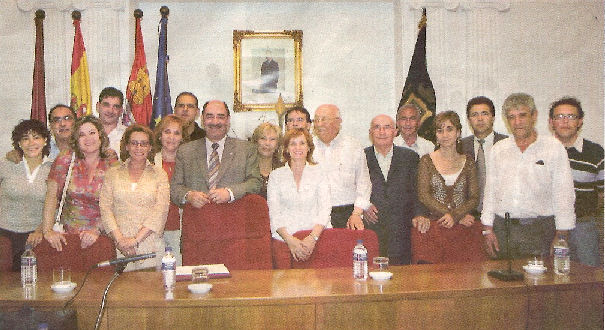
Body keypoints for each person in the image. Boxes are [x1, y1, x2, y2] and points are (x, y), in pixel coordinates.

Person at [482, 93, 575, 259]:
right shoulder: (499, 149)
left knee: (540, 283)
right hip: (503, 230)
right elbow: (490, 192)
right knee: (503, 284)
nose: (517, 122)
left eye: (522, 115)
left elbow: (564, 194)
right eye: (512, 117)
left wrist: (561, 235)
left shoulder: (553, 148)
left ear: (534, 115)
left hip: (540, 230)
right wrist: (487, 229)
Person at [42, 116, 118, 252]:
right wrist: (48, 230)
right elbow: (51, 197)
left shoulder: (112, 164)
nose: (88, 138)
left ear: (100, 135)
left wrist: (96, 230)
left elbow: (117, 205)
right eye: (82, 135)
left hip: (101, 236)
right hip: (65, 238)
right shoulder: (65, 159)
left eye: (92, 133)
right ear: (76, 140)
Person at [100, 125, 169, 271]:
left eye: (144, 143)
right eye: (134, 143)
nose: (139, 147)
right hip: (118, 247)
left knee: (150, 292)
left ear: (150, 147)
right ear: (126, 146)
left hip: (150, 247)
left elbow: (160, 211)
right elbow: (105, 208)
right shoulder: (112, 173)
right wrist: (120, 240)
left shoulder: (159, 174)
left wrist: (135, 241)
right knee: (120, 292)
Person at [171, 100, 261, 207]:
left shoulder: (246, 149)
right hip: (197, 219)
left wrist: (230, 193)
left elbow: (255, 183)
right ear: (202, 120)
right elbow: (175, 188)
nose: (215, 122)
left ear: (228, 120)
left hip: (234, 218)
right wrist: (189, 196)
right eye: (209, 116)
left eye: (220, 117)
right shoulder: (185, 151)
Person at [363, 115, 426, 265]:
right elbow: (352, 188)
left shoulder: (410, 157)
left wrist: (420, 214)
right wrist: (363, 206)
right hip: (371, 228)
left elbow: (418, 191)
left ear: (395, 132)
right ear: (370, 132)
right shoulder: (361, 156)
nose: (382, 132)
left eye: (387, 127)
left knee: (401, 280)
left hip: (401, 230)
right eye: (377, 127)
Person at [549, 97, 603, 266]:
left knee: (587, 280)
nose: (565, 121)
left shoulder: (596, 152)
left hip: (583, 227)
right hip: (547, 226)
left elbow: (602, 194)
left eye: (571, 117)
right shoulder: (542, 151)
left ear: (580, 121)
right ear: (551, 122)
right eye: (559, 117)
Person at [268, 128, 331, 261]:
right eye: (293, 143)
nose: (298, 147)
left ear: (309, 148)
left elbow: (325, 210)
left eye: (302, 143)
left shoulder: (319, 172)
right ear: (286, 149)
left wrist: (312, 238)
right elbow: (274, 214)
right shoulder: (276, 176)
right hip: (284, 241)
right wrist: (291, 241)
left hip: (317, 238)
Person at [0, 120, 52, 270]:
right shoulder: (6, 164)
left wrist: (40, 230)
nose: (31, 143)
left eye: (36, 137)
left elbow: (55, 207)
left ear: (45, 140)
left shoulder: (53, 168)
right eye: (25, 138)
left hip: (35, 237)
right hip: (4, 235)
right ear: (19, 143)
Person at [416, 111, 479, 230]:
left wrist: (455, 216)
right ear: (435, 135)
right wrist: (455, 216)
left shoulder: (469, 162)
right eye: (440, 131)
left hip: (464, 228)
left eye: (449, 129)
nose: (444, 135)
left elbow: (474, 198)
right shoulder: (426, 161)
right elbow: (424, 196)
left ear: (458, 133)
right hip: (435, 225)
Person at [312, 104, 371, 230]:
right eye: (316, 120)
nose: (319, 124)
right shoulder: (307, 147)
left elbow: (364, 183)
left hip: (348, 215)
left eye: (324, 119)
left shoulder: (353, 146)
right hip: (315, 214)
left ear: (338, 122)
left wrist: (357, 213)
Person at [460, 96, 508, 214]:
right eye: (474, 115)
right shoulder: (460, 146)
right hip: (467, 216)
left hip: (500, 214)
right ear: (469, 120)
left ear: (493, 117)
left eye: (484, 113)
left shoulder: (507, 145)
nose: (480, 119)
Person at [153, 115, 186, 265]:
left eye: (176, 133)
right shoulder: (150, 162)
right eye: (167, 132)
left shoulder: (189, 162)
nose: (171, 137)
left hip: (181, 228)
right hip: (154, 229)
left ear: (182, 138)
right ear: (160, 135)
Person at [5, 104, 75, 163]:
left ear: (75, 122)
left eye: (67, 118)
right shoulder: (40, 148)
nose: (62, 124)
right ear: (50, 126)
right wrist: (15, 154)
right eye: (56, 120)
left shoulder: (84, 147)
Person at [251, 122, 283, 198]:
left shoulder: (283, 169)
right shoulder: (247, 168)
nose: (267, 143)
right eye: (263, 138)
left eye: (272, 139)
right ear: (256, 141)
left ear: (277, 145)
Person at [96, 87, 127, 155]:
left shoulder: (128, 135)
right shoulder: (86, 133)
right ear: (98, 106)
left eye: (115, 107)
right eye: (106, 105)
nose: (110, 111)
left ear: (121, 111)